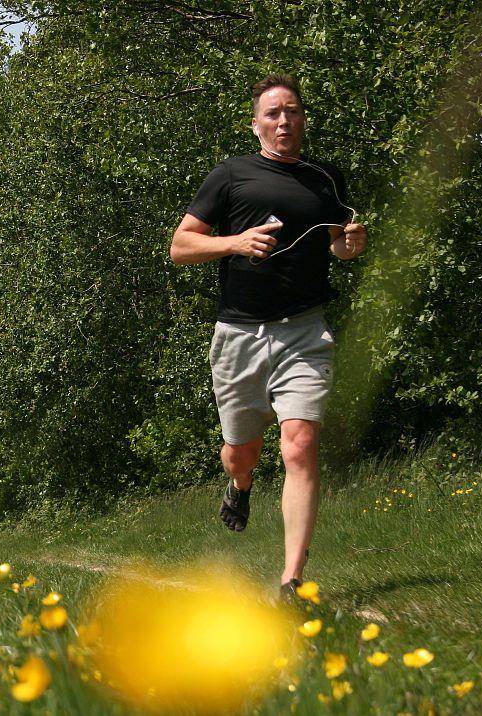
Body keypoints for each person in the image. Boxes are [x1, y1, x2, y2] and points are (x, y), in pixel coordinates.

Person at [168, 74, 367, 597]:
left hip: (304, 329)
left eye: (293, 112)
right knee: (241, 451)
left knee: (300, 444)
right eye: (274, 113)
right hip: (239, 333)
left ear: (303, 119)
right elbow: (181, 246)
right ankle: (239, 486)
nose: (284, 121)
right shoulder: (232, 175)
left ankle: (291, 580)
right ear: (255, 124)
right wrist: (236, 242)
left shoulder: (326, 179)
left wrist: (351, 243)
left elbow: (338, 249)